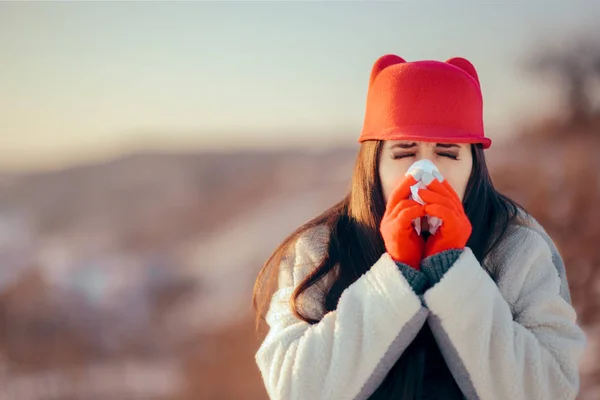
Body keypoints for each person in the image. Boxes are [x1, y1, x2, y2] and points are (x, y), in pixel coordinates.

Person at [252, 54, 586, 400]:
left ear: (474, 166)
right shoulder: (319, 249)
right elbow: (294, 390)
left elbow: (551, 388)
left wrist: (454, 271)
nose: (426, 172)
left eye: (448, 153)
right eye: (403, 153)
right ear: (373, 165)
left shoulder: (519, 249)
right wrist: (395, 276)